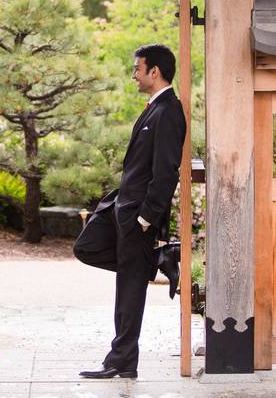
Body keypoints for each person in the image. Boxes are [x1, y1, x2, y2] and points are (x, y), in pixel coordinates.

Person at [74, 43, 187, 379]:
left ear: (155, 71)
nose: (134, 75)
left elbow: (166, 171)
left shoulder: (169, 111)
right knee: (86, 247)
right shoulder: (154, 107)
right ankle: (156, 260)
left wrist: (146, 217)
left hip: (139, 217)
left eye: (138, 69)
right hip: (123, 208)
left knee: (129, 288)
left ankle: (121, 360)